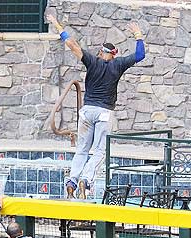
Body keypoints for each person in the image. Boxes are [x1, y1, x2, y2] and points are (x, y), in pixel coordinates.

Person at [47, 13, 145, 199]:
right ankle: (86, 179)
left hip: (87, 111)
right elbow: (140, 55)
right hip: (104, 112)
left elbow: (72, 45)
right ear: (113, 54)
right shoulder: (119, 64)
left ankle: (72, 181)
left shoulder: (92, 61)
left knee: (82, 149)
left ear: (101, 53)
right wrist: (138, 34)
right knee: (100, 151)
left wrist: (58, 26)